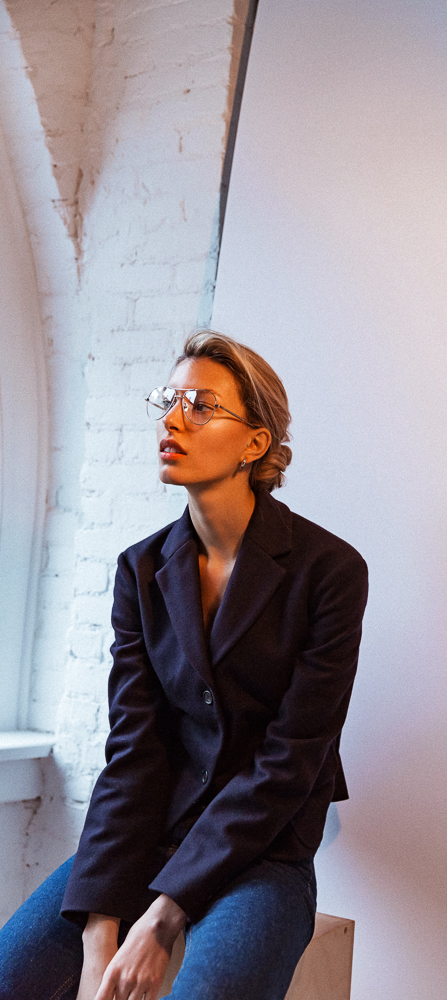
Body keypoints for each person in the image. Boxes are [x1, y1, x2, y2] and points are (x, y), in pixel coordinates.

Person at [0, 331, 368, 1000]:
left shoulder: (330, 572)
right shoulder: (140, 569)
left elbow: (291, 760)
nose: (173, 419)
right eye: (168, 401)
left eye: (200, 405)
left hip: (263, 854)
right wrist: (100, 935)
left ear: (255, 443)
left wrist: (162, 918)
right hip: (148, 838)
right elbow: (133, 753)